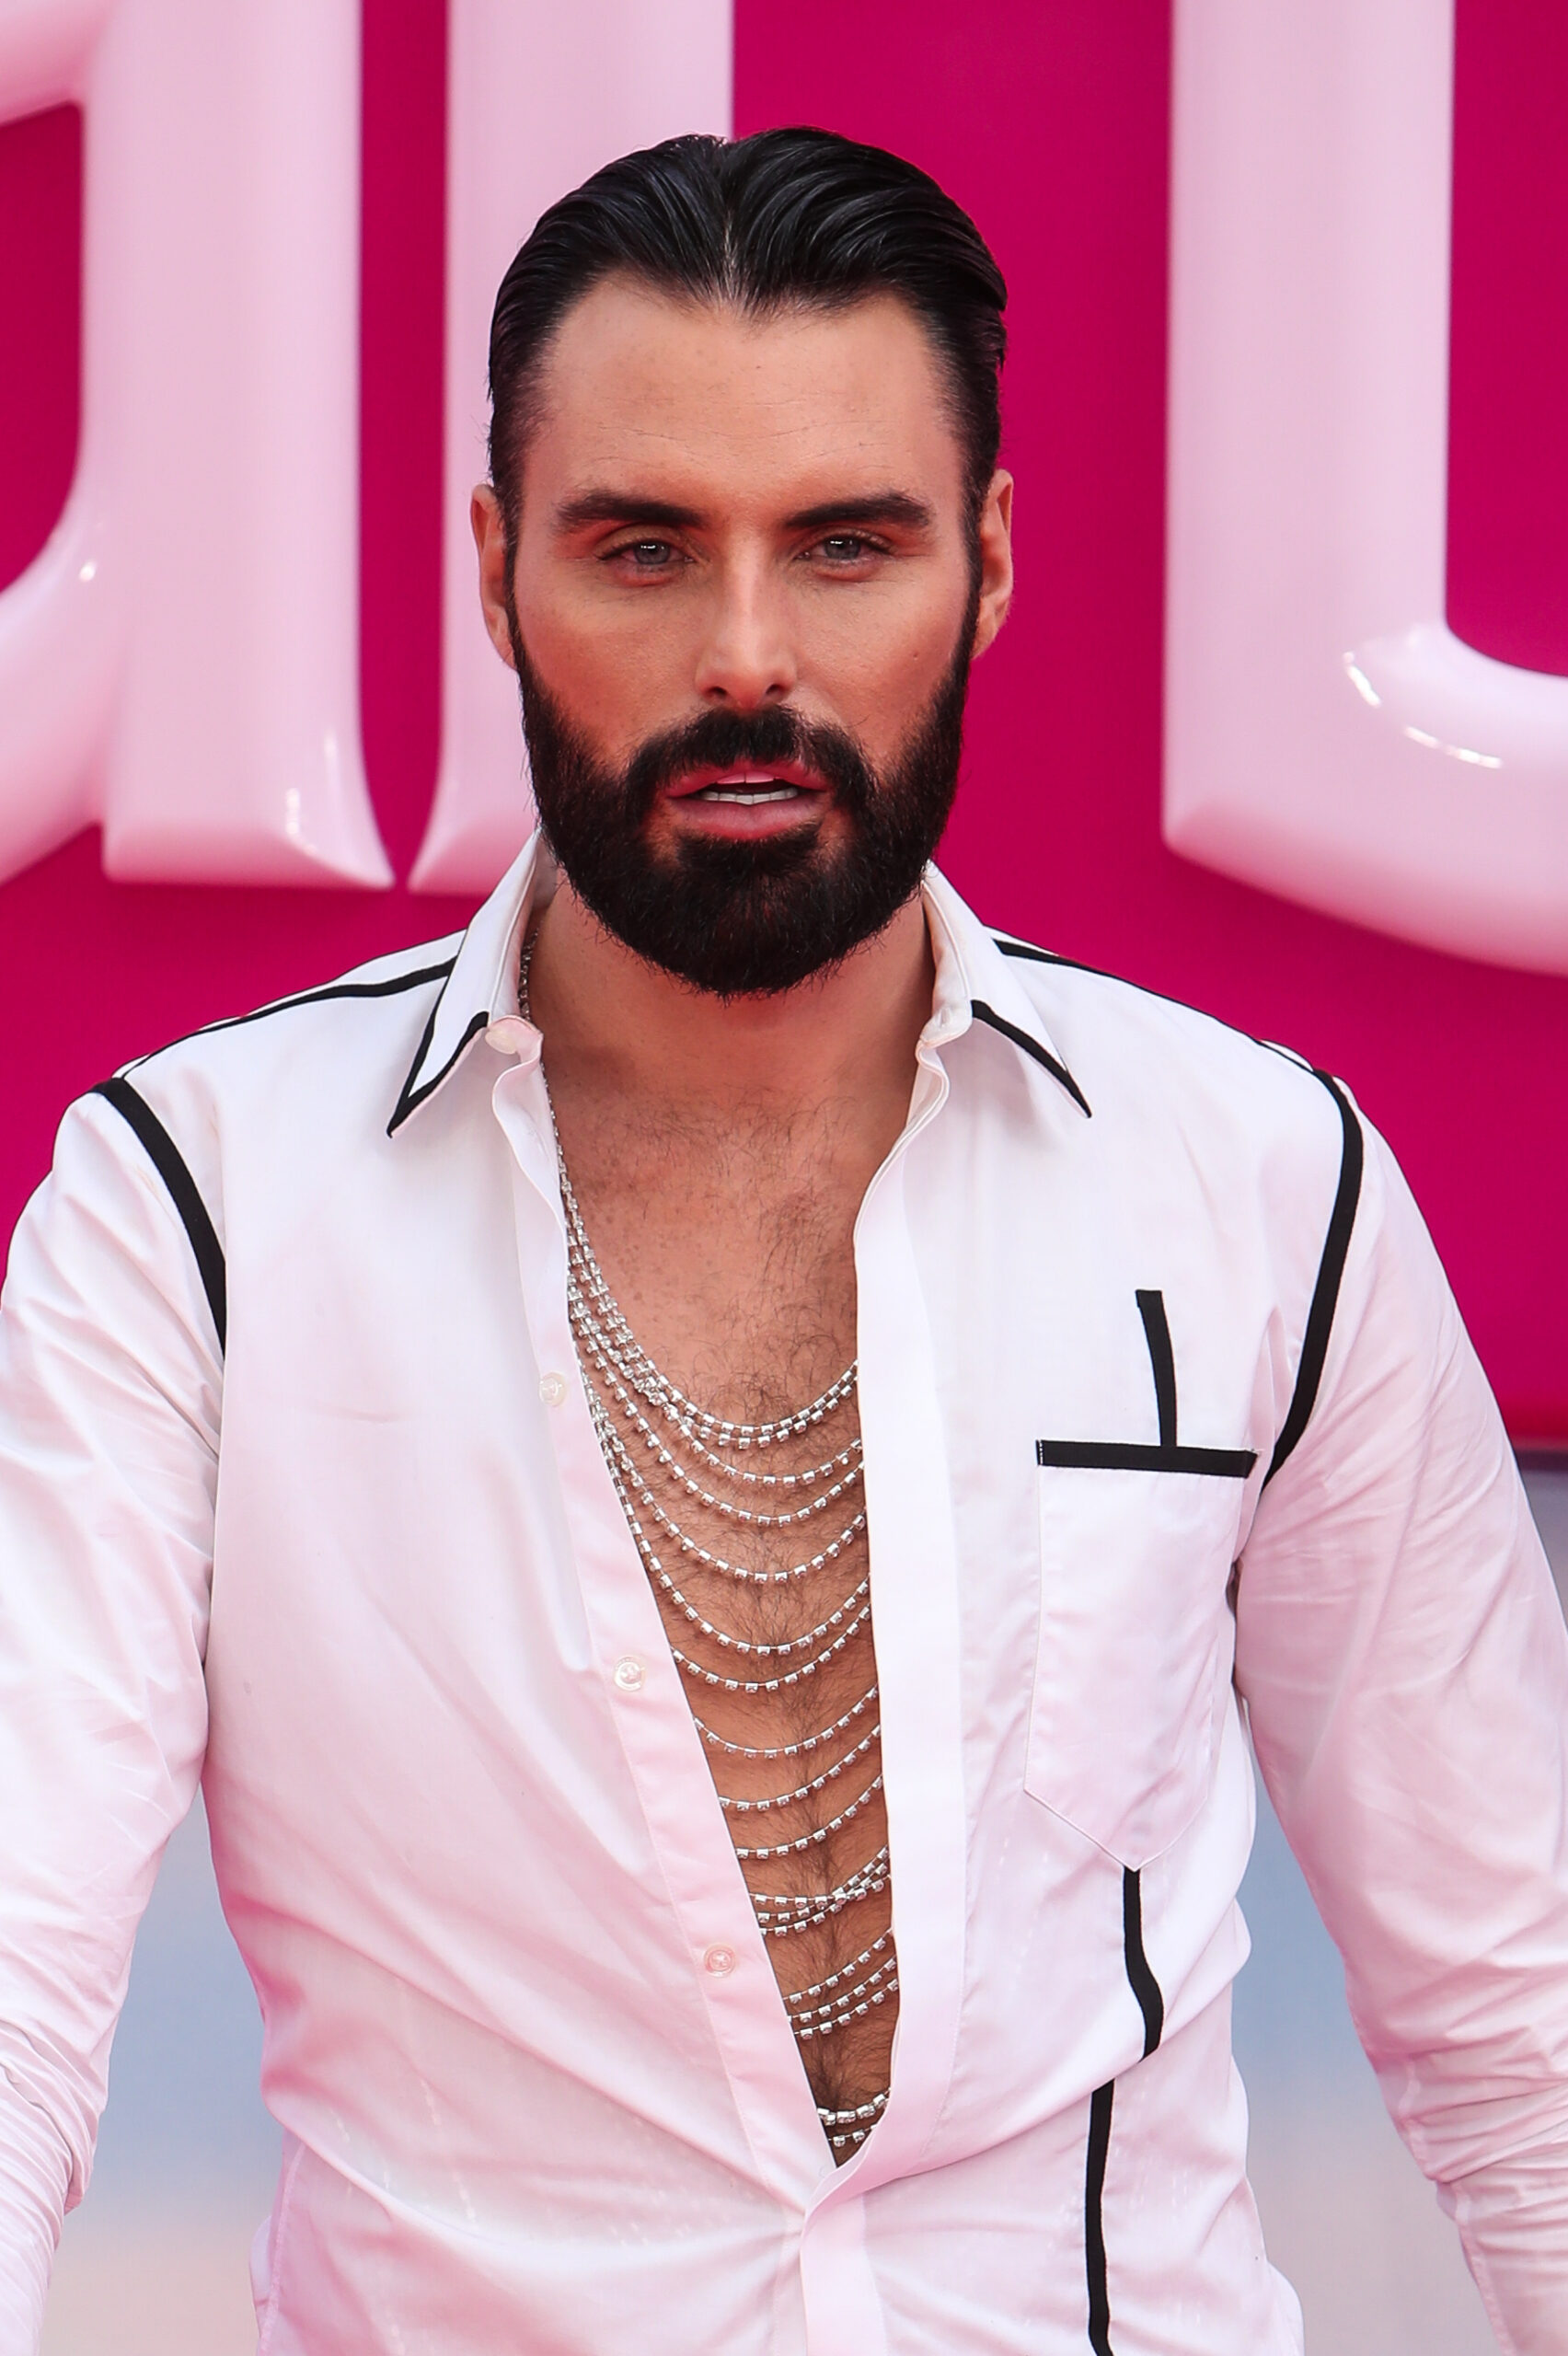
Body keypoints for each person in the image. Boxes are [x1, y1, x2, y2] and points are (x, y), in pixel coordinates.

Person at [0, 127, 1564, 2356]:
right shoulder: (196, 1211)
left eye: (846, 544)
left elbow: (1519, 2012)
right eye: (644, 548)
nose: (747, 659)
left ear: (987, 565)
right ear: (496, 571)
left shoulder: (1251, 1177)